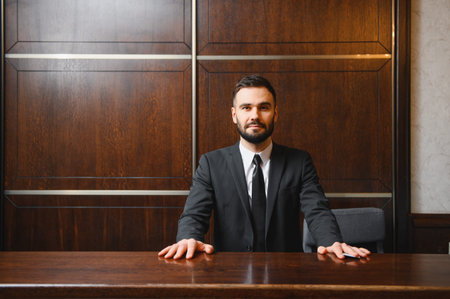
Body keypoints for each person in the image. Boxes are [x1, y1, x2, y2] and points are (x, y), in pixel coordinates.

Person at [159, 75, 370, 260]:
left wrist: (332, 241)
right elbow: (195, 214)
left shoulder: (299, 161)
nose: (255, 116)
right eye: (246, 107)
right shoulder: (210, 163)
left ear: (275, 114)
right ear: (234, 115)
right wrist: (188, 239)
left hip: (286, 274)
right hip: (228, 275)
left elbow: (317, 210)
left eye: (264, 107)